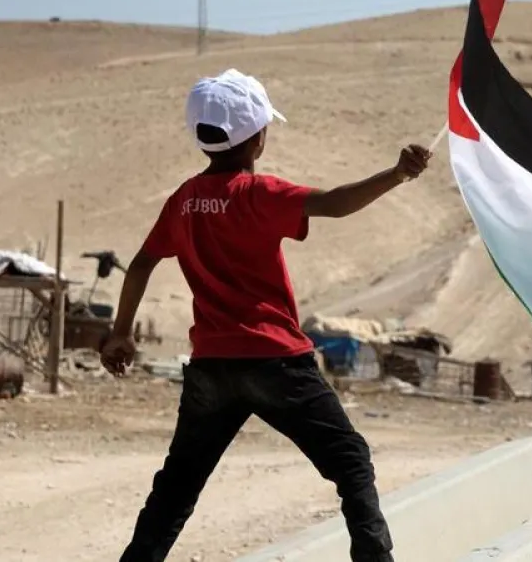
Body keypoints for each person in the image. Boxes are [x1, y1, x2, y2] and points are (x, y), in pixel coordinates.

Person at [101, 68, 430, 562]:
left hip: (211, 367)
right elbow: (336, 204)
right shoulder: (258, 194)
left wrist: (121, 333)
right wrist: (397, 174)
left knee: (176, 488)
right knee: (351, 463)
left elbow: (144, 261)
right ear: (258, 138)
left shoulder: (184, 200)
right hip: (276, 362)